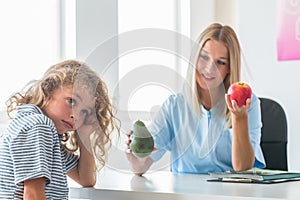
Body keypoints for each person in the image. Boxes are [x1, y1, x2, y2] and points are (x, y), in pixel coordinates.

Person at [126, 23, 266, 175]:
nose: (209, 69)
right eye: (204, 57)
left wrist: (239, 118)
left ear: (229, 68)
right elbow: (141, 167)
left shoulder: (247, 104)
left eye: (220, 62)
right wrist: (135, 154)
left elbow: (242, 167)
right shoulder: (174, 106)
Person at [0, 60, 120, 199]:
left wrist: (84, 135)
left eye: (85, 112)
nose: (75, 116)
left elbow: (86, 179)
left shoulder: (47, 135)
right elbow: (32, 195)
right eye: (71, 101)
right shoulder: (38, 126)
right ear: (47, 89)